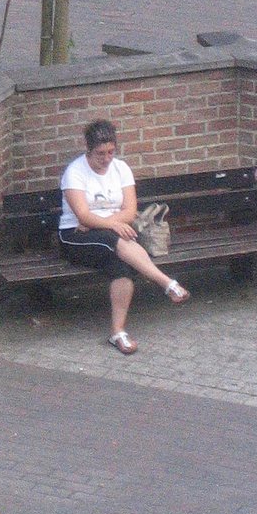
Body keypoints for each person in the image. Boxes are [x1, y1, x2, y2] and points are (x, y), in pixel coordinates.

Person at [58, 118, 190, 355]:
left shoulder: (121, 169)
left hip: (112, 233)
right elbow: (83, 216)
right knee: (115, 240)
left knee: (123, 264)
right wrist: (111, 224)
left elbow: (130, 211)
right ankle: (166, 283)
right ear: (88, 150)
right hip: (74, 237)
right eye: (100, 154)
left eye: (111, 152)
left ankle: (118, 332)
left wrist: (109, 223)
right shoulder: (75, 172)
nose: (107, 159)